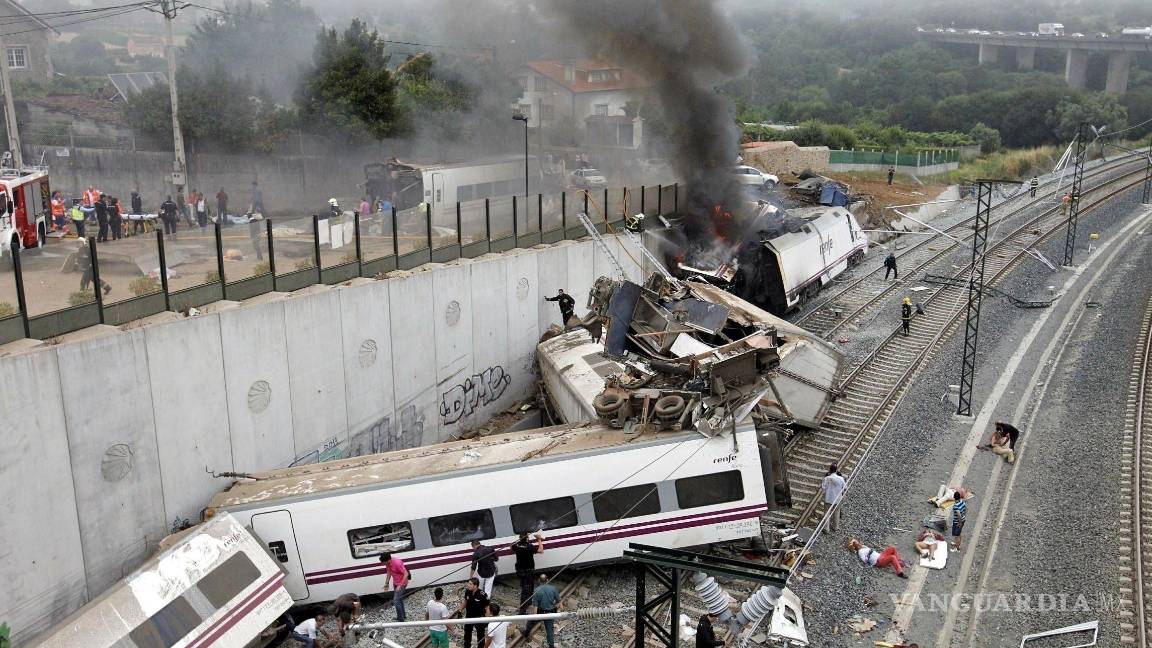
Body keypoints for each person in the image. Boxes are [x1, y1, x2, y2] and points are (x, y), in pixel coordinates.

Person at [513, 530, 544, 613]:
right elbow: (541, 550)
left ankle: (529, 604)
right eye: (528, 537)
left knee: (528, 588)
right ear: (526, 539)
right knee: (526, 590)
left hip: (520, 571)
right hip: (528, 571)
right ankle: (522, 610)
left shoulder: (516, 546)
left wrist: (521, 539)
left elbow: (511, 546)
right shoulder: (529, 547)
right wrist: (539, 539)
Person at [528, 573, 561, 647]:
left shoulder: (536, 590)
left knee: (530, 622)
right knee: (549, 630)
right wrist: (560, 609)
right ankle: (551, 645)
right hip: (550, 612)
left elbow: (535, 606)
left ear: (539, 580)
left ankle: (526, 633)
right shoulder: (553, 588)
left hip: (540, 611)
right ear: (548, 580)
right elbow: (559, 601)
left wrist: (534, 617)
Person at [457, 577, 490, 648]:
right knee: (467, 634)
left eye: (470, 584)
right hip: (469, 616)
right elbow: (465, 601)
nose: (468, 585)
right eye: (468, 583)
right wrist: (460, 610)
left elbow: (487, 608)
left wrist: (487, 620)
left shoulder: (483, 595)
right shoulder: (467, 591)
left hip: (479, 618)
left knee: (480, 636)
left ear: (475, 586)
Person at [380, 552, 409, 621]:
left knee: (396, 601)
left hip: (402, 583)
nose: (383, 563)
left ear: (388, 560)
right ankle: (403, 616)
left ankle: (401, 619)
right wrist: (386, 583)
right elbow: (389, 572)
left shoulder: (397, 563)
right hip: (395, 583)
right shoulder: (388, 563)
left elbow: (406, 574)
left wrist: (400, 585)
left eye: (383, 562)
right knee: (399, 599)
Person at [820, 464, 846, 533]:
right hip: (837, 498)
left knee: (827, 513)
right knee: (836, 512)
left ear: (830, 470)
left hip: (828, 498)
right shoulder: (841, 478)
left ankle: (826, 528)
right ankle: (836, 527)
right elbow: (844, 488)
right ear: (836, 470)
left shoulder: (827, 478)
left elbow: (823, 488)